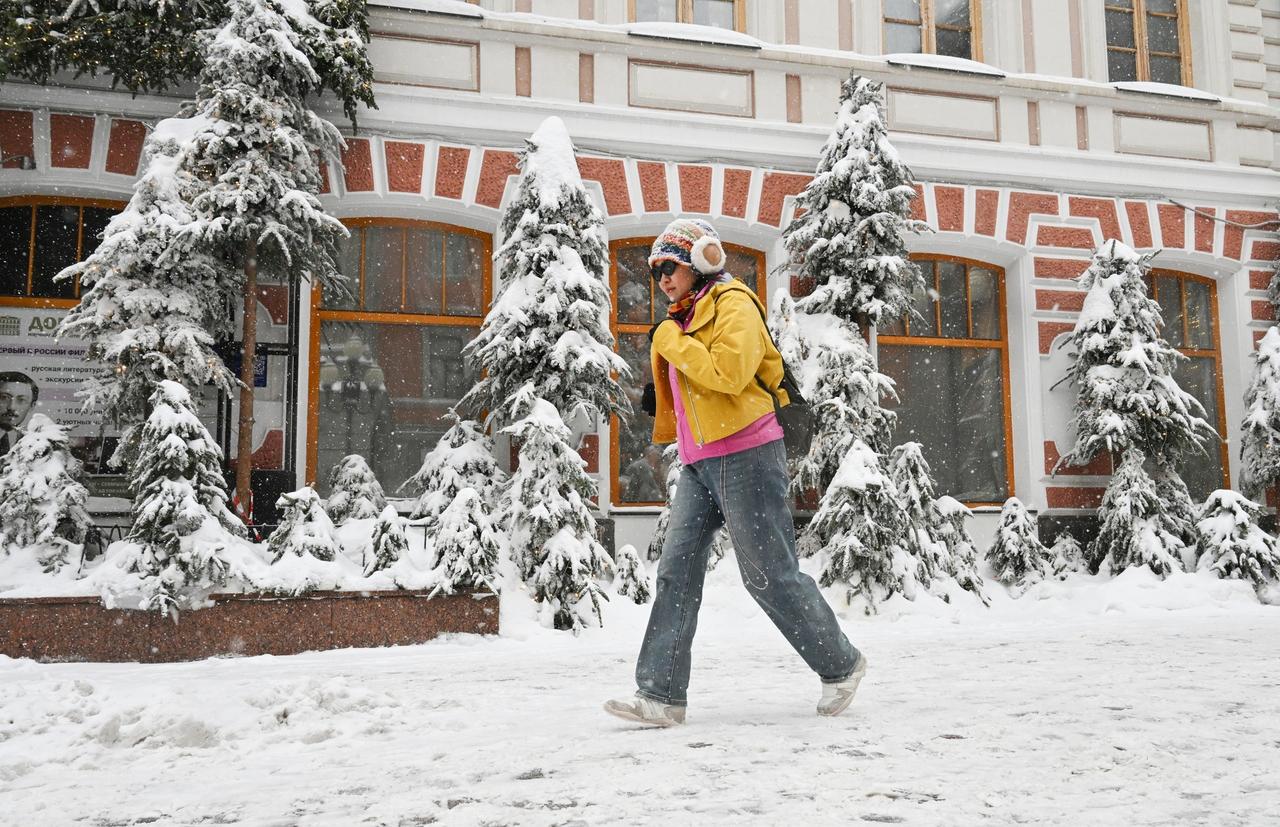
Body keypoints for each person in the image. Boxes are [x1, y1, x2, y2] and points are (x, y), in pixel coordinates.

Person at [604, 218, 866, 728]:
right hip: (699, 459)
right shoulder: (683, 318)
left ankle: (841, 664)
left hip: (748, 452)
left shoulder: (734, 303)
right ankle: (660, 694)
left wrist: (669, 341)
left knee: (768, 575)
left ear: (702, 261)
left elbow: (729, 372)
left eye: (671, 268)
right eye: (657, 272)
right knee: (676, 570)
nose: (663, 280)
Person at [0, 371, 37, 459]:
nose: (12, 407)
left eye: (21, 400)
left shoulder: (36, 444)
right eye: (4, 398)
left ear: (32, 406)